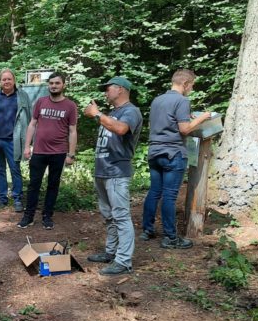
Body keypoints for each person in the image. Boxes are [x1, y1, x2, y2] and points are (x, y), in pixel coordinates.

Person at [141, 69, 211, 249]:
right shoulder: (182, 100)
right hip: (173, 153)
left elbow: (166, 122)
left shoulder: (158, 100)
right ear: (185, 84)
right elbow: (185, 130)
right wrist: (202, 118)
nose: (191, 89)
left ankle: (147, 230)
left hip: (155, 152)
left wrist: (187, 118)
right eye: (192, 86)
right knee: (170, 196)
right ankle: (170, 238)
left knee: (155, 191)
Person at [83, 77, 143, 275]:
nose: (105, 93)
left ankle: (124, 261)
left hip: (117, 172)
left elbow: (121, 129)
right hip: (103, 171)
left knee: (121, 217)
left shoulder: (130, 111)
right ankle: (111, 252)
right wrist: (99, 115)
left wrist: (97, 113)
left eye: (108, 89)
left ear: (120, 90)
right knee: (108, 216)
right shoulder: (114, 112)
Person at [18, 72, 78, 230]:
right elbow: (32, 124)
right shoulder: (41, 102)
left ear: (63, 85)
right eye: (51, 83)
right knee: (33, 184)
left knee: (53, 185)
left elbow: (72, 131)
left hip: (59, 152)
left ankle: (47, 216)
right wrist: (27, 146)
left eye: (57, 83)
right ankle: (28, 216)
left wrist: (71, 154)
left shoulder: (70, 106)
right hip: (39, 151)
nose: (54, 86)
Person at [0, 68, 31, 211]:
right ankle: (2, 199)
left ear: (14, 80)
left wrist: (28, 140)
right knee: (0, 169)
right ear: (0, 82)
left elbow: (29, 117)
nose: (7, 81)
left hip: (13, 140)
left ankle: (17, 199)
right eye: (4, 79)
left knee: (15, 169)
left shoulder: (21, 97)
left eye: (9, 79)